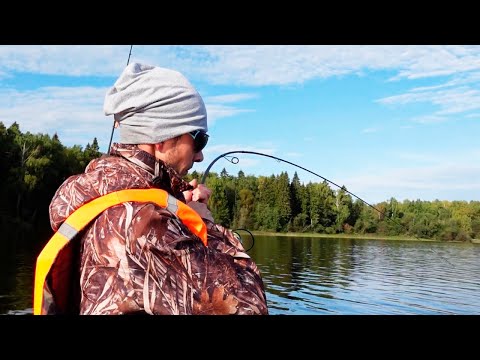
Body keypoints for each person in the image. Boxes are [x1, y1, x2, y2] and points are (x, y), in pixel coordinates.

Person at [34, 62, 269, 315]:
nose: (200, 156)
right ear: (162, 137)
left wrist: (177, 209)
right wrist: (205, 223)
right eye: (199, 139)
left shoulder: (104, 196)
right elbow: (248, 306)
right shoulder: (143, 222)